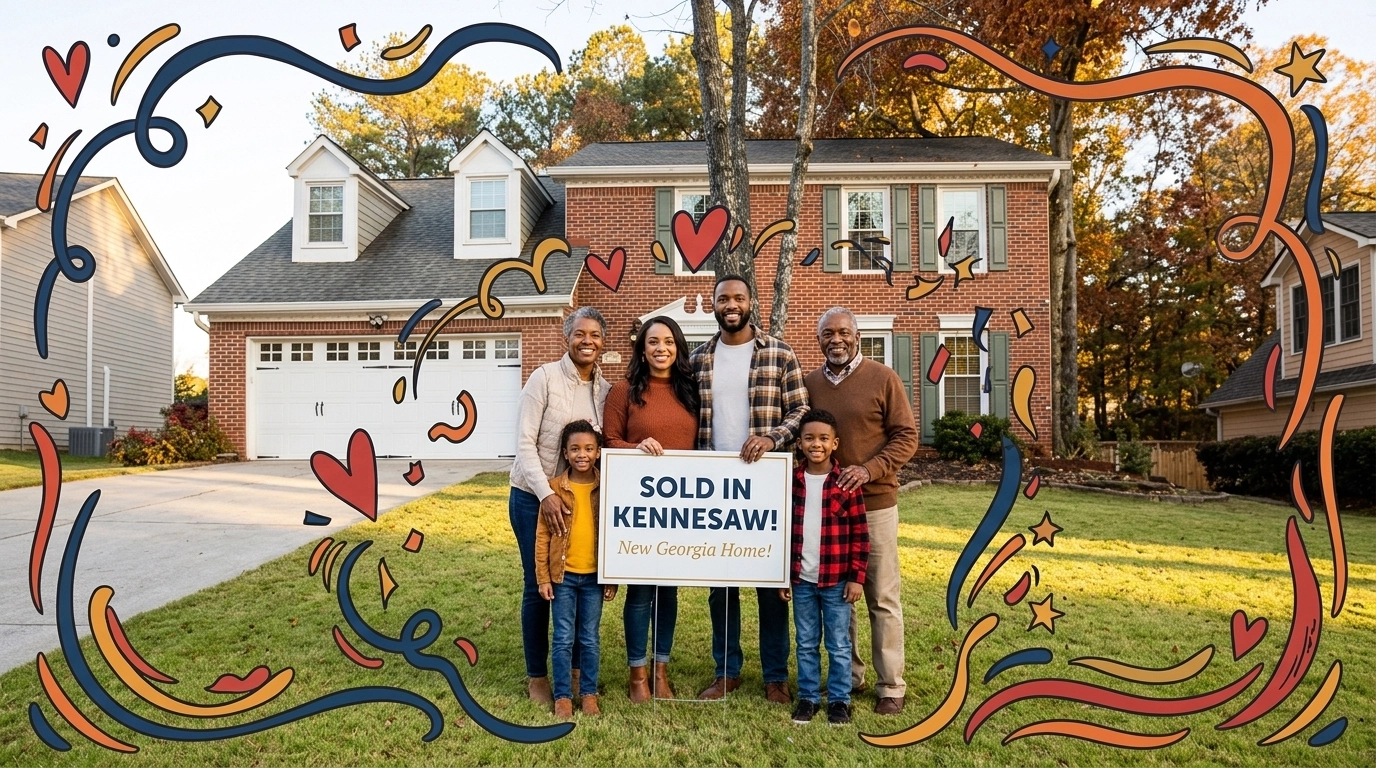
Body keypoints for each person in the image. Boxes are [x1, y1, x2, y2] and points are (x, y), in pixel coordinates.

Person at [690, 274, 810, 703]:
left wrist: (772, 438)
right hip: (714, 485)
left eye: (739, 297)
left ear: (751, 302)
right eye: (724, 299)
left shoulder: (779, 352)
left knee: (768, 581)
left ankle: (775, 675)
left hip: (765, 484)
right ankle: (727, 671)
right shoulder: (700, 357)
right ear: (715, 305)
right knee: (721, 584)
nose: (731, 305)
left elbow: (800, 410)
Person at [803, 307, 918, 715]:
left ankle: (891, 685)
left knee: (881, 596)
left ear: (857, 336)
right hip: (829, 508)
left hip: (875, 504)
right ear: (819, 338)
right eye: (828, 332)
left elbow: (907, 436)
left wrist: (869, 470)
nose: (837, 339)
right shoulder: (810, 384)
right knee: (839, 597)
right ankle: (847, 676)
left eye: (844, 332)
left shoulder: (883, 378)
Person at [510, 307, 610, 705]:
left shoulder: (605, 390)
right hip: (532, 496)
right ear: (566, 338)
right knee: (540, 585)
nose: (588, 341)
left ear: (604, 342)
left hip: (580, 498)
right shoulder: (544, 378)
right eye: (580, 334)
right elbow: (523, 444)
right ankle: (538, 676)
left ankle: (572, 672)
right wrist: (546, 494)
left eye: (596, 335)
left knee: (577, 583)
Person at [603, 316, 699, 703]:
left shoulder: (691, 390)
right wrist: (636, 448)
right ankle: (637, 675)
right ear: (642, 349)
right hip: (638, 506)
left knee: (668, 591)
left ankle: (661, 671)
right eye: (653, 342)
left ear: (678, 348)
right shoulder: (623, 391)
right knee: (641, 590)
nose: (662, 348)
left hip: (680, 507)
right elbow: (608, 441)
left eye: (669, 342)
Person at [779, 409, 868, 726]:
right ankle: (808, 698)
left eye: (823, 439)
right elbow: (782, 531)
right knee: (805, 643)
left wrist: (856, 579)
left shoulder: (846, 484)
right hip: (802, 580)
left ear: (835, 443)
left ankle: (840, 701)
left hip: (836, 582)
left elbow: (860, 534)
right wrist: (782, 578)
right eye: (809, 438)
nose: (816, 444)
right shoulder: (792, 482)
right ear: (800, 443)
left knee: (839, 644)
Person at [536, 420, 618, 719]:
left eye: (588, 448)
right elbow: (543, 536)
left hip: (596, 577)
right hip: (563, 578)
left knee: (589, 637)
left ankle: (588, 693)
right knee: (562, 637)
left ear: (598, 452)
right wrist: (543, 577)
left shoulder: (607, 486)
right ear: (565, 453)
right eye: (575, 449)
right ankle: (562, 696)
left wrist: (613, 576)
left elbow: (616, 532)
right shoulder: (554, 489)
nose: (582, 454)